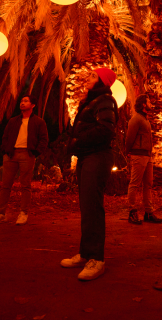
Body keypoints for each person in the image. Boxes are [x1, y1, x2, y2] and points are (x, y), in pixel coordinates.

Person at [60, 68, 119, 281]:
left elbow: (106, 129)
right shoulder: (93, 101)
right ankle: (86, 253)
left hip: (98, 156)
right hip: (87, 156)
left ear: (103, 81)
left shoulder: (105, 100)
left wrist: (77, 141)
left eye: (94, 76)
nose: (88, 78)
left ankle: (97, 259)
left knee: (93, 206)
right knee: (86, 206)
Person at [0, 95, 48, 226]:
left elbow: (44, 139)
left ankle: (23, 213)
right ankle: (0, 214)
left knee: (25, 185)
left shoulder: (39, 122)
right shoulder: (13, 121)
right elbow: (5, 136)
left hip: (27, 154)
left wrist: (35, 152)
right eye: (21, 101)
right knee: (5, 185)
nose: (22, 103)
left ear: (32, 105)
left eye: (26, 101)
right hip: (11, 154)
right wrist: (5, 150)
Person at [125, 94, 162, 225]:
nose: (151, 104)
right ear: (143, 105)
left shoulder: (145, 119)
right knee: (135, 183)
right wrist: (127, 151)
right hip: (138, 155)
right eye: (148, 102)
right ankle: (132, 212)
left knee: (148, 184)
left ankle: (148, 212)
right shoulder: (136, 119)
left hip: (147, 155)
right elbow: (129, 137)